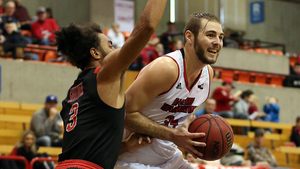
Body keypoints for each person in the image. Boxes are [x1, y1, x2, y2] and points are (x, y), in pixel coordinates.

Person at [54, 1, 167, 168]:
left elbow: (85, 150)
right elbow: (147, 26)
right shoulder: (105, 74)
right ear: (95, 53)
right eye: (110, 45)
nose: (116, 50)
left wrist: (126, 146)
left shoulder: (74, 93)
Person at [116, 12, 224, 169]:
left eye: (220, 37)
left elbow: (176, 112)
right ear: (189, 36)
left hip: (170, 158)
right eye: (210, 35)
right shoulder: (166, 68)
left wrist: (188, 130)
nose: (217, 42)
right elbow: (122, 113)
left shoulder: (208, 74)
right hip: (132, 159)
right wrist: (172, 135)